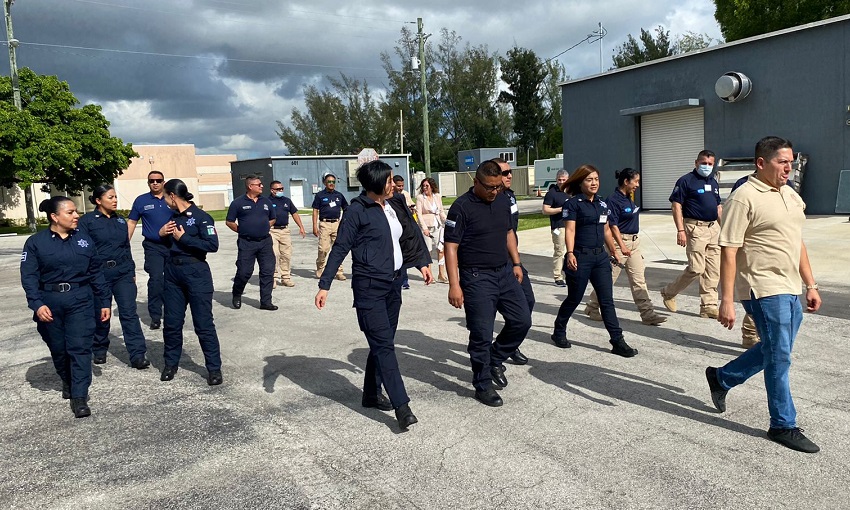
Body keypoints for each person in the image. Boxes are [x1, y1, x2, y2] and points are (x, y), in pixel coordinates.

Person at [707, 136, 822, 453]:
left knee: (775, 348)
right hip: (761, 286)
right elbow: (728, 250)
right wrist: (726, 299)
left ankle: (723, 378)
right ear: (761, 163)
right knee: (780, 355)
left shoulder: (791, 196)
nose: (789, 167)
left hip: (790, 286)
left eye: (791, 161)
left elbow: (796, 242)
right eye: (782, 161)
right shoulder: (743, 198)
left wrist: (810, 285)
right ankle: (783, 424)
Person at [315, 160, 433, 431]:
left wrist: (422, 263)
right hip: (369, 288)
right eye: (390, 180)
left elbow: (408, 237)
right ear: (378, 183)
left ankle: (370, 393)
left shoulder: (391, 206)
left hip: (393, 285)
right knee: (384, 346)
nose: (394, 184)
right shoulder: (357, 211)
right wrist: (325, 285)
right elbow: (340, 247)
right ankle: (402, 406)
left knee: (383, 342)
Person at [444, 160, 532, 407]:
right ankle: (482, 384)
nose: (495, 192)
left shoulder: (503, 199)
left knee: (522, 320)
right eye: (490, 188)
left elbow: (508, 233)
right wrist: (454, 285)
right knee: (481, 333)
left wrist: (516, 263)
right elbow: (451, 247)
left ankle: (494, 359)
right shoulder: (460, 207)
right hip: (476, 277)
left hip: (504, 272)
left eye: (498, 187)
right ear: (476, 182)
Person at [20, 197, 111, 418]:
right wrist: (37, 304)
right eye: (70, 212)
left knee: (79, 348)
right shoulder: (35, 243)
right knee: (59, 349)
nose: (76, 216)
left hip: (81, 299)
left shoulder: (84, 240)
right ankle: (68, 381)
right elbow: (29, 276)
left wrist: (104, 301)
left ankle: (79, 396)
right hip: (49, 301)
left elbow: (96, 272)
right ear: (55, 217)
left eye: (76, 211)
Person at [550, 164, 639, 357]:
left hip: (600, 258)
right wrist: (571, 253)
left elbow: (606, 229)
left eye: (596, 179)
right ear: (581, 182)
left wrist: (615, 250)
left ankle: (617, 340)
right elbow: (571, 230)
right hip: (580, 257)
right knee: (574, 298)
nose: (594, 183)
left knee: (607, 301)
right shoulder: (573, 204)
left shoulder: (602, 204)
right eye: (589, 180)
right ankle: (559, 330)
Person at [158, 179, 224, 385]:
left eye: (165, 196)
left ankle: (214, 369)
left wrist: (184, 239)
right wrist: (161, 235)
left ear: (172, 196)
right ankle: (170, 364)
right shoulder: (172, 218)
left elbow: (212, 245)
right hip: (172, 273)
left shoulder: (202, 218)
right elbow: (165, 242)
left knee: (203, 324)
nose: (164, 201)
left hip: (196, 271)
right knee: (171, 323)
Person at [78, 185, 151, 368]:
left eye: (115, 197)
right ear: (98, 200)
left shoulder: (120, 221)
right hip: (99, 274)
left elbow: (125, 247)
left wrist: (131, 270)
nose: (115, 200)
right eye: (110, 197)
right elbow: (82, 251)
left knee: (129, 313)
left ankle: (137, 354)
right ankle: (99, 347)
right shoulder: (87, 222)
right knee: (101, 314)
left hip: (122, 273)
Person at [583, 168, 667, 326]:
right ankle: (592, 307)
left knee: (639, 280)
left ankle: (647, 314)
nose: (637, 185)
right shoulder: (613, 200)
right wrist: (621, 247)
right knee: (607, 280)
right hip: (619, 243)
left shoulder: (629, 198)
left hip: (634, 245)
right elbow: (612, 226)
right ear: (626, 181)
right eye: (635, 181)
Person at [660, 150, 722, 319]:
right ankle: (669, 292)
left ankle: (708, 305)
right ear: (696, 163)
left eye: (710, 164)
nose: (707, 167)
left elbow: (718, 207)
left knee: (713, 269)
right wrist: (680, 230)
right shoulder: (686, 181)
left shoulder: (713, 182)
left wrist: (724, 228)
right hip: (695, 228)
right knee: (696, 268)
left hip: (713, 228)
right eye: (704, 163)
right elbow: (676, 206)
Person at [493, 158, 533, 365]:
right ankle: (495, 355)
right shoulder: (489, 198)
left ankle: (509, 344)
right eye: (504, 172)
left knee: (528, 301)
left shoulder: (509, 196)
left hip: (512, 260)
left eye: (510, 172)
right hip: (493, 264)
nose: (509, 176)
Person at [127, 170, 173, 330]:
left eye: (158, 180)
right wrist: (125, 242)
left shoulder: (172, 198)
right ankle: (155, 315)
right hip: (153, 247)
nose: (155, 183)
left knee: (172, 280)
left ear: (163, 182)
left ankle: (172, 312)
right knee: (156, 279)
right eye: (152, 181)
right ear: (148, 183)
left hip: (173, 246)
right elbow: (132, 222)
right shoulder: (141, 201)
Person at [226, 175, 278, 311]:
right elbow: (229, 221)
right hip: (246, 243)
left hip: (265, 242)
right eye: (258, 184)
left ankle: (266, 301)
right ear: (250, 186)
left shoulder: (266, 202)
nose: (262, 186)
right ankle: (237, 293)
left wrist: (266, 226)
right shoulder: (238, 203)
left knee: (268, 271)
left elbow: (273, 218)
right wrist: (242, 231)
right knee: (244, 272)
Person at [730, 173, 763, 349]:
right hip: (751, 249)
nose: (787, 167)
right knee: (757, 294)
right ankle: (750, 334)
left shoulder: (786, 186)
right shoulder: (743, 187)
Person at [268, 180, 306, 288]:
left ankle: (285, 277)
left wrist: (301, 227)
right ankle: (273, 278)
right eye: (278, 189)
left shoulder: (287, 201)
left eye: (282, 189)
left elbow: (294, 213)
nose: (281, 191)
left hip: (284, 230)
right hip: (272, 230)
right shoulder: (266, 201)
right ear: (272, 190)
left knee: (286, 255)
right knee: (274, 254)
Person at [312, 174, 348, 280]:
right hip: (325, 224)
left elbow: (346, 208)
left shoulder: (339, 195)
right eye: (329, 182)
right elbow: (315, 210)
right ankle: (320, 268)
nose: (331, 184)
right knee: (323, 249)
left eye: (333, 182)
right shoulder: (320, 195)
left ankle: (339, 271)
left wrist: (343, 221)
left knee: (338, 249)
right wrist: (314, 226)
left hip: (337, 224)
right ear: (324, 183)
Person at [415, 177, 449, 284]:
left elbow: (441, 211)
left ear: (432, 186)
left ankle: (441, 274)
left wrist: (447, 222)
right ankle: (429, 274)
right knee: (428, 251)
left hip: (438, 224)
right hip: (427, 226)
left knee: (441, 250)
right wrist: (424, 228)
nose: (425, 188)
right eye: (423, 186)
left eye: (427, 186)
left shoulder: (437, 196)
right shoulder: (420, 198)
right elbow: (419, 214)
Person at [542, 169, 570, 287]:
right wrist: (560, 209)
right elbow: (545, 210)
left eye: (564, 180)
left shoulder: (571, 192)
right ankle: (558, 277)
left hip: (571, 226)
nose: (561, 182)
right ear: (556, 179)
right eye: (559, 179)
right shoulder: (552, 193)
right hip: (558, 227)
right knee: (559, 251)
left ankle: (570, 274)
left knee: (572, 251)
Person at [393, 175, 416, 289]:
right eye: (398, 186)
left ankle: (405, 280)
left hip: (404, 227)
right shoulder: (390, 196)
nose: (401, 188)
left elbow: (411, 205)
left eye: (402, 186)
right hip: (395, 227)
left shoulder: (405, 194)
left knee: (404, 254)